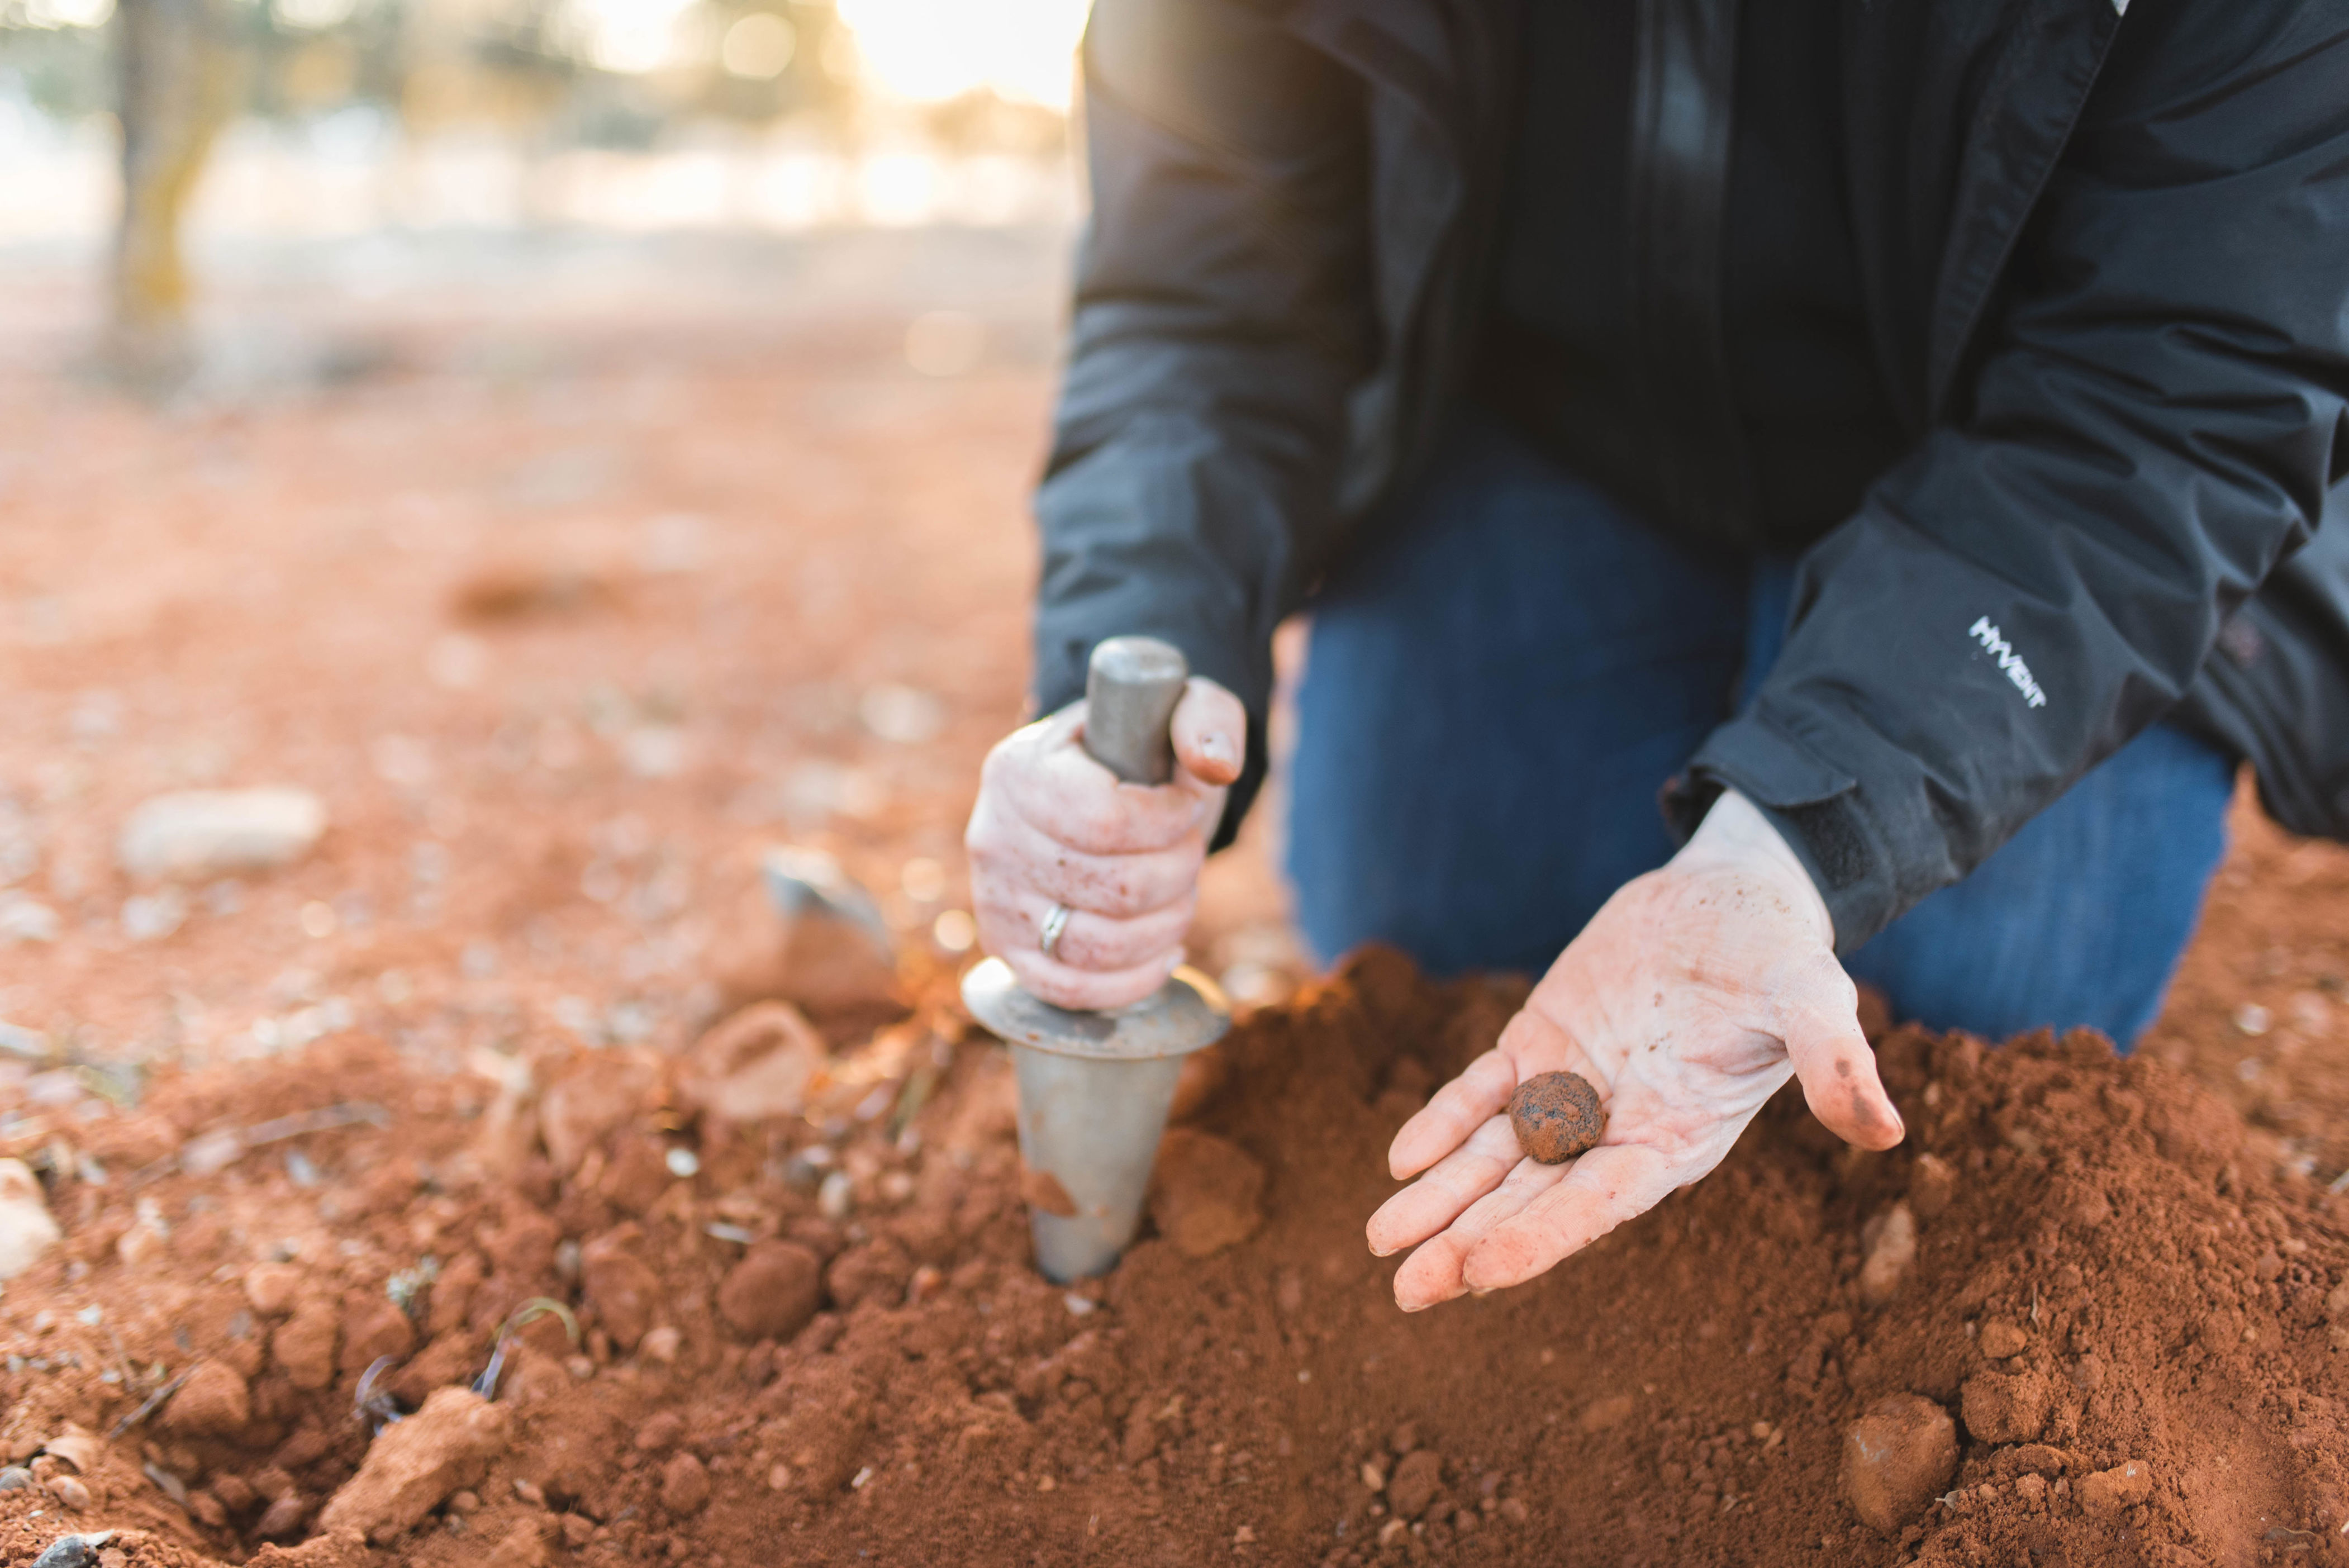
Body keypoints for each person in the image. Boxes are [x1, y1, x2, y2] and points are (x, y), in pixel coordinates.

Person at [964, 0, 2349, 1312]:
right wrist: (1142, 636)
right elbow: (1201, 283)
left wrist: (1789, 847)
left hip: (2027, 461)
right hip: (1553, 420)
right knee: (1445, 942)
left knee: (1953, 1012)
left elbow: (2178, 382)